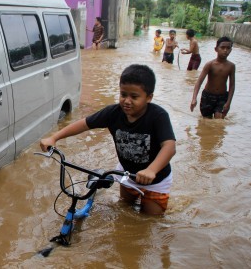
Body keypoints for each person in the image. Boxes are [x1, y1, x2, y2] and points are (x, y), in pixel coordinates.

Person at [40, 64, 176, 215]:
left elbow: (169, 146)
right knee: (125, 211)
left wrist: (151, 170)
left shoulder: (158, 116)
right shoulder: (113, 113)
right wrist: (54, 137)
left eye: (134, 97)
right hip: (127, 174)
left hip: (156, 180)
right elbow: (84, 124)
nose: (127, 101)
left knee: (150, 220)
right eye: (123, 94)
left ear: (149, 97)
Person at [190, 36, 235, 119]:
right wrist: (194, 99)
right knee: (207, 120)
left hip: (222, 97)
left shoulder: (231, 66)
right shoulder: (210, 65)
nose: (225, 50)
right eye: (222, 47)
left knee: (219, 120)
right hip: (207, 97)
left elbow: (232, 86)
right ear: (216, 49)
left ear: (231, 50)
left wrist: (228, 103)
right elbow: (199, 82)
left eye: (228, 48)